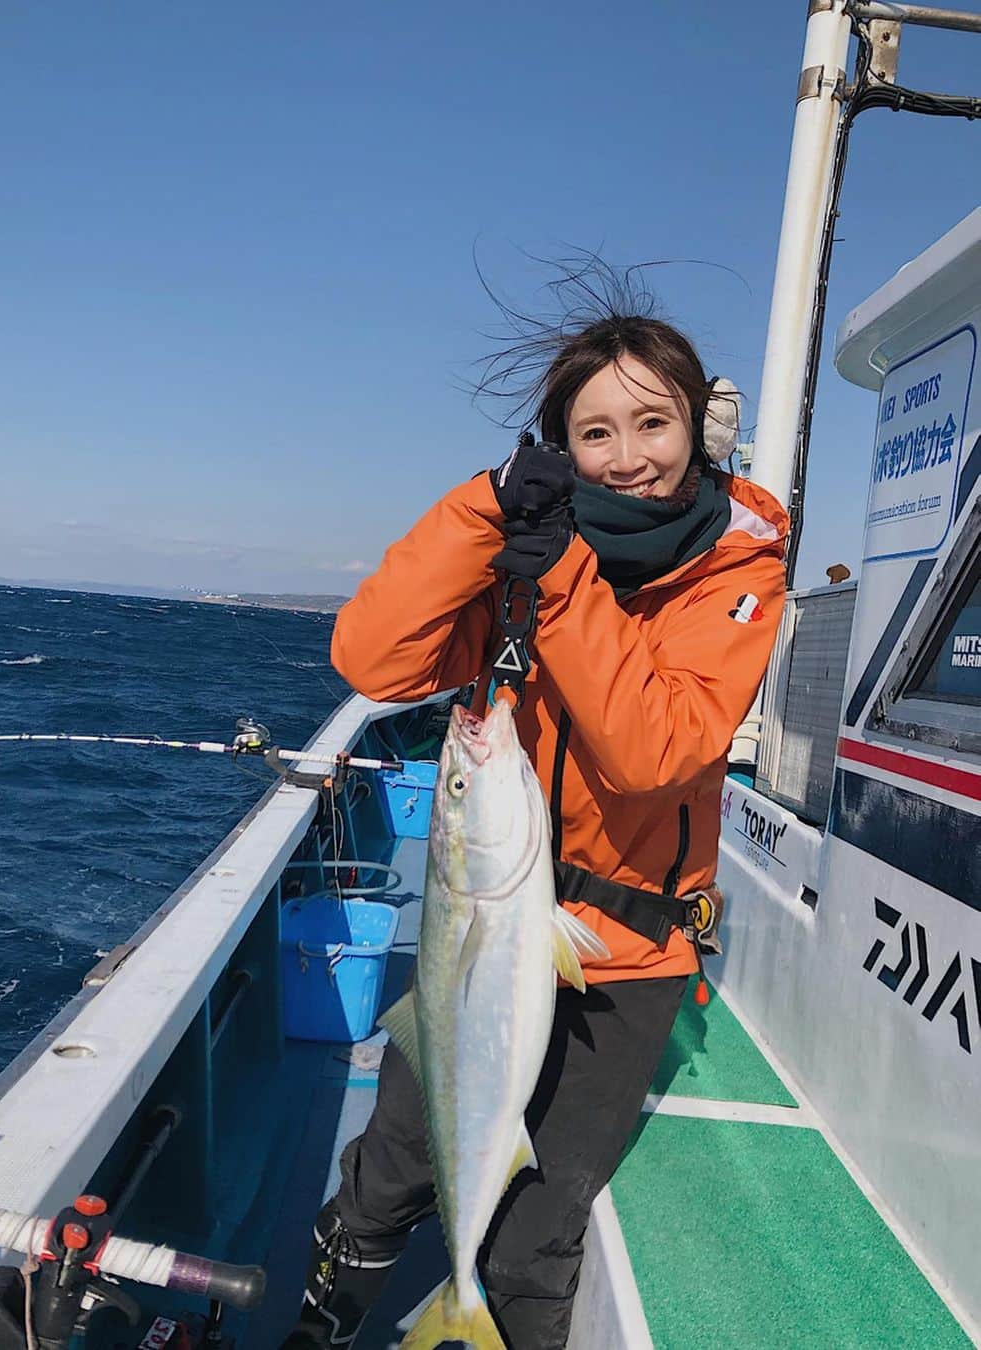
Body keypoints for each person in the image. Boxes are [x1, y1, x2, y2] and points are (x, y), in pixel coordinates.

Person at [281, 296, 788, 1350]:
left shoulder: (739, 570)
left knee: (529, 1243)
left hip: (627, 955)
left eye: (653, 423)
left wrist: (558, 578)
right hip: (486, 933)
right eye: (594, 433)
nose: (628, 457)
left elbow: (658, 753)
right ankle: (320, 1330)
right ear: (560, 448)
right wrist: (482, 510)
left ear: (698, 425)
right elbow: (372, 663)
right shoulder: (521, 555)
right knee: (383, 1184)